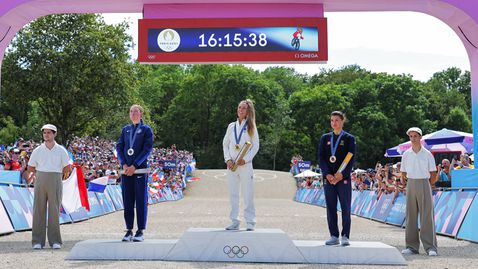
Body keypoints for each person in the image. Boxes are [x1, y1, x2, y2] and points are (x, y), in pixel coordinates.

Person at [27, 124, 71, 250]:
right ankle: (37, 241)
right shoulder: (37, 150)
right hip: (40, 178)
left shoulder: (61, 150)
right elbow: (30, 167)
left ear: (54, 134)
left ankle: (55, 240)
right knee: (38, 210)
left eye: (49, 132)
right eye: (44, 132)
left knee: (54, 210)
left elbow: (67, 167)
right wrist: (40, 174)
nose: (46, 135)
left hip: (56, 178)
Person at [116, 104, 153, 242]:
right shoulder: (125, 130)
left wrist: (135, 165)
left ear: (141, 114)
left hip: (140, 170)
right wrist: (124, 164)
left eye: (136, 111)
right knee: (128, 200)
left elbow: (147, 149)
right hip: (126, 171)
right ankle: (129, 230)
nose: (133, 113)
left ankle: (140, 230)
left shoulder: (146, 130)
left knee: (141, 200)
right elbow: (119, 147)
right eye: (131, 111)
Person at [318, 111, 356, 246]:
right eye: (332, 120)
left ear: (342, 121)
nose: (334, 123)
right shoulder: (325, 138)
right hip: (329, 179)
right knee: (331, 208)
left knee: (345, 208)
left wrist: (341, 174)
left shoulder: (349, 138)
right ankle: (334, 235)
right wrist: (327, 174)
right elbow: (321, 158)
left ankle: (345, 235)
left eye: (337, 120)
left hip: (343, 178)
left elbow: (350, 158)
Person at [222, 99, 260, 231]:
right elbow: (225, 144)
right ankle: (234, 221)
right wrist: (228, 159)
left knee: (247, 193)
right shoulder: (231, 126)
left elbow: (256, 146)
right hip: (232, 166)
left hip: (245, 165)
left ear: (248, 111)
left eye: (243, 108)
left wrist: (247, 159)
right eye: (239, 107)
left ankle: (250, 222)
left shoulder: (251, 126)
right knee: (233, 194)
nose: (240, 110)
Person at [400, 127, 438, 256]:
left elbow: (433, 172)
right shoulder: (406, 154)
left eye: (415, 136)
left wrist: (429, 184)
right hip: (411, 183)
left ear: (420, 137)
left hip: (424, 183)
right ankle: (411, 247)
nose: (413, 138)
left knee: (427, 216)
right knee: (410, 216)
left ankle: (430, 247)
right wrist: (407, 182)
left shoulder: (427, 154)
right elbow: (403, 172)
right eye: (411, 136)